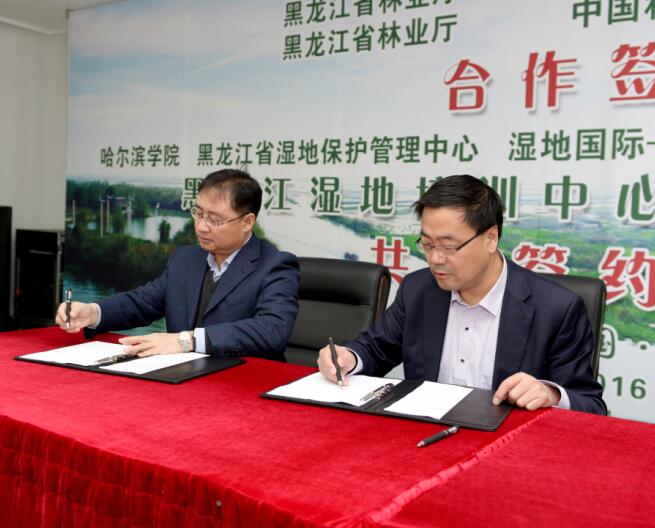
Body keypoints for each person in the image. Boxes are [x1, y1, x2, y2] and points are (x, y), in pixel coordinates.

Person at [317, 175, 606, 415]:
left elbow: (591, 405)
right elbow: (376, 348)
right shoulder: (418, 289)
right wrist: (348, 357)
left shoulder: (556, 308)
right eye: (427, 244)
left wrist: (550, 394)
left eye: (449, 246)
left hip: (506, 449)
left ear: (490, 238)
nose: (435, 259)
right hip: (426, 438)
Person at [56, 169, 300, 361]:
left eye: (214, 220)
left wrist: (187, 341)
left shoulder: (275, 265)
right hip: (179, 382)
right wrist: (93, 313)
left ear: (247, 222)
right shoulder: (185, 259)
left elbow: (272, 330)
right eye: (198, 213)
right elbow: (143, 303)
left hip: (241, 386)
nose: (201, 226)